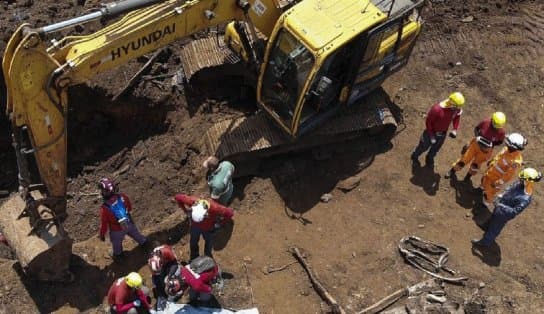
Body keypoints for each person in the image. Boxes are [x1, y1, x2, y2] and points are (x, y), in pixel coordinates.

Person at [472, 168, 541, 247]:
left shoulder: (525, 199)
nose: (519, 180)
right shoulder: (521, 183)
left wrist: (500, 205)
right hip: (500, 205)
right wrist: (502, 195)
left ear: (528, 181)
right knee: (493, 217)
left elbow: (514, 212)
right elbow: (511, 187)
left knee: (495, 227)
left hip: (504, 214)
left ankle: (485, 242)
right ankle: (487, 226)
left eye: (522, 179)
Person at [446, 112, 506, 181]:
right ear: (492, 119)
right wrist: (477, 136)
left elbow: (499, 142)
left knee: (476, 166)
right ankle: (453, 170)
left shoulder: (502, 132)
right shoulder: (486, 122)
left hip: (486, 151)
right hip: (476, 145)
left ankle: (468, 177)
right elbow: (476, 129)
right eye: (494, 124)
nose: (495, 127)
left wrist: (491, 144)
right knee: (464, 159)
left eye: (497, 126)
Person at [411, 92, 465, 167]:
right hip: (430, 133)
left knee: (436, 148)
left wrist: (454, 129)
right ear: (452, 103)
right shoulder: (437, 109)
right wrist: (431, 135)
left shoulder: (455, 109)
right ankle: (415, 156)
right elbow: (428, 123)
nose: (458, 109)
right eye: (457, 107)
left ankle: (429, 158)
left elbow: (457, 117)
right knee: (423, 146)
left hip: (442, 134)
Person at [98, 178, 147, 261]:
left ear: (105, 192)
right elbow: (130, 208)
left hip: (116, 230)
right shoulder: (123, 197)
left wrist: (102, 235)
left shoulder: (104, 209)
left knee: (116, 244)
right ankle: (145, 244)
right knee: (137, 235)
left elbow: (104, 225)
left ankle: (119, 256)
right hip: (128, 223)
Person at [175, 194, 234, 261]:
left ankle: (207, 256)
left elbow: (230, 213)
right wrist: (185, 211)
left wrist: (220, 223)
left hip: (207, 228)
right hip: (195, 227)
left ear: (206, 214)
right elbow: (178, 197)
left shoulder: (215, 208)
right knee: (193, 241)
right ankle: (194, 257)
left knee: (208, 241)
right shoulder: (192, 202)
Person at [480, 133, 526, 208]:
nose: (506, 144)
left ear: (514, 146)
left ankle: (485, 203)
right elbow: (498, 156)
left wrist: (498, 183)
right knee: (484, 181)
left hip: (496, 179)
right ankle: (482, 188)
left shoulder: (515, 162)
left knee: (489, 193)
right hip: (491, 171)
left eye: (509, 143)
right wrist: (492, 161)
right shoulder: (506, 149)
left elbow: (508, 176)